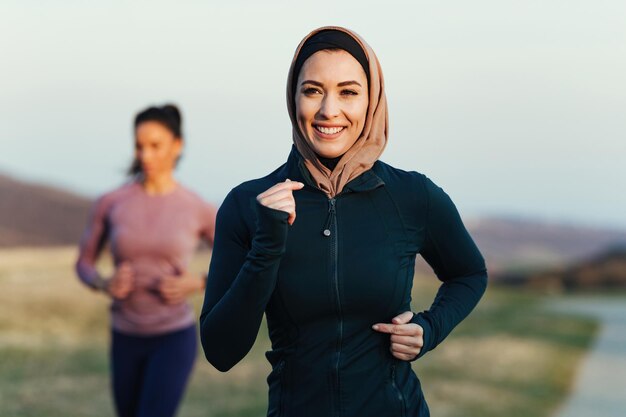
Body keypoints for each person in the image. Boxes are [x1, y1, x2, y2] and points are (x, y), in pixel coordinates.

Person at [199, 27, 487, 417]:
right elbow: (221, 352)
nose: (328, 110)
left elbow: (469, 272)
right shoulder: (247, 204)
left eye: (348, 92)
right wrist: (266, 248)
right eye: (313, 90)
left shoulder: (412, 195)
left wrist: (429, 328)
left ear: (371, 101)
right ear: (293, 97)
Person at [76, 104, 217, 417]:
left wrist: (198, 282)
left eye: (156, 146)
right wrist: (103, 282)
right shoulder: (111, 203)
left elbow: (237, 263)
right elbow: (83, 264)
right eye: (139, 146)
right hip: (124, 337)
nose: (146, 155)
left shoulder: (197, 208)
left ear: (177, 146)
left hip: (173, 337)